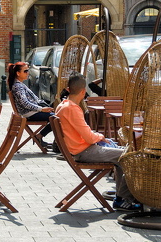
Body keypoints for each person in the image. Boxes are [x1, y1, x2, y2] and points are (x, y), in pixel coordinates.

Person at [55, 72, 140, 211]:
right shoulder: (72, 109)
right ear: (83, 92)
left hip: (79, 149)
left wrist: (98, 137)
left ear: (69, 89)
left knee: (122, 155)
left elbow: (85, 132)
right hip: (84, 151)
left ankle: (121, 197)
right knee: (129, 155)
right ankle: (124, 198)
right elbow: (88, 137)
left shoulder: (63, 106)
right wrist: (100, 137)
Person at [8, 61, 54, 147]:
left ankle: (41, 137)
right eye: (25, 71)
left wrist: (45, 106)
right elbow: (25, 103)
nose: (28, 73)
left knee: (58, 116)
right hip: (30, 113)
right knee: (57, 118)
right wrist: (41, 109)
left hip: (32, 111)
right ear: (18, 73)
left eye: (28, 70)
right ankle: (50, 141)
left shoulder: (20, 84)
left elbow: (34, 100)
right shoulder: (18, 86)